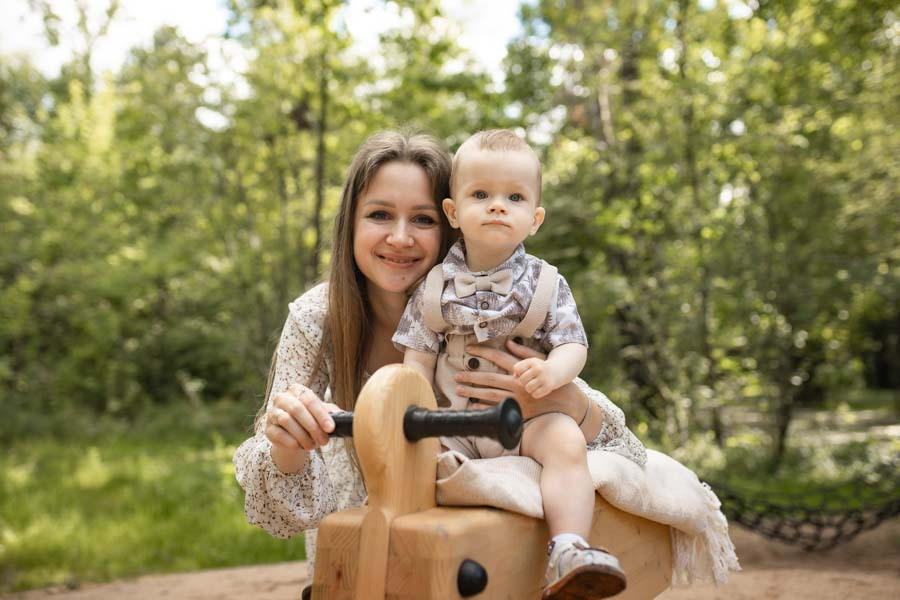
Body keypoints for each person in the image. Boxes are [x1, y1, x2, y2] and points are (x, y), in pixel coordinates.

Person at [232, 129, 647, 590]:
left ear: (450, 223)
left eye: (423, 220)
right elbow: (278, 511)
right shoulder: (318, 318)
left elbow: (627, 455)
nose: (400, 237)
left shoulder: (490, 306)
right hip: (360, 566)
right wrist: (289, 442)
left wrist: (567, 402)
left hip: (479, 562)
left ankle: (567, 551)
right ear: (350, 222)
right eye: (379, 214)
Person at [393, 129, 627, 598]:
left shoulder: (548, 283)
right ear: (453, 212)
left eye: (514, 197)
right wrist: (423, 411)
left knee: (563, 441)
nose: (498, 205)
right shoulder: (434, 286)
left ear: (534, 218)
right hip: (456, 421)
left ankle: (568, 547)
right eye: (481, 194)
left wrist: (552, 372)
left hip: (526, 421)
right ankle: (404, 563)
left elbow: (573, 345)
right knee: (416, 455)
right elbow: (415, 360)